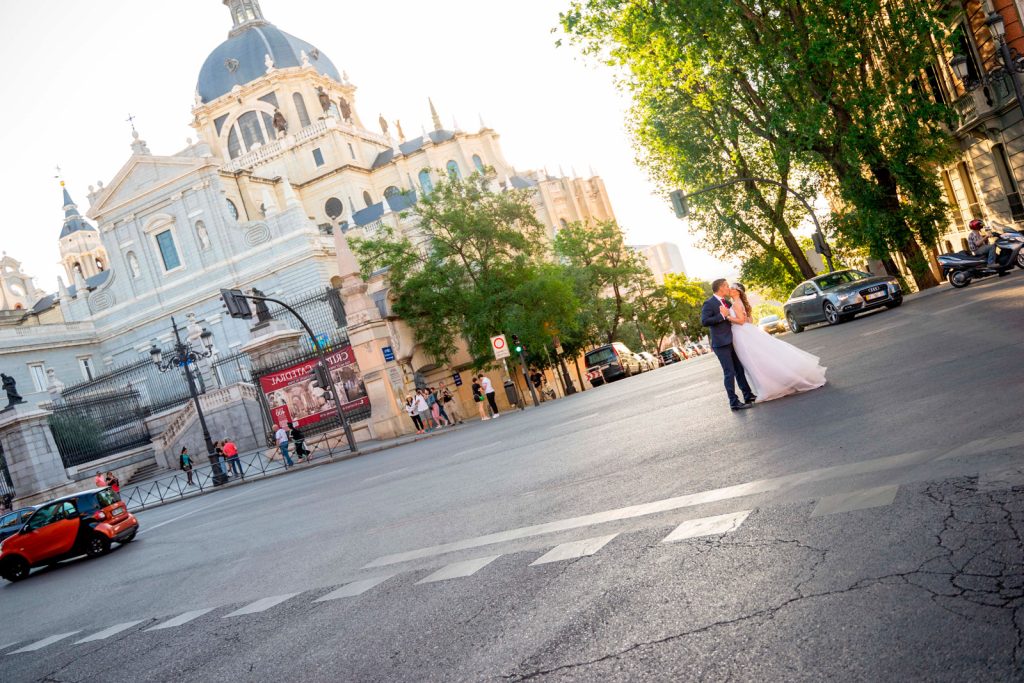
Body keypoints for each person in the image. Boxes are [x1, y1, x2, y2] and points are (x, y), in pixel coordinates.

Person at [725, 283, 827, 402]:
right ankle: (772, 384)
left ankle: (771, 387)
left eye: (732, 289)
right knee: (759, 360)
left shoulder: (736, 303)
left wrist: (728, 316)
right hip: (744, 333)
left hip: (742, 334)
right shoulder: (739, 303)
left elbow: (742, 321)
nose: (730, 290)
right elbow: (749, 320)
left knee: (754, 362)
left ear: (738, 292)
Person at [701, 278, 757, 411]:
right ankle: (734, 402)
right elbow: (704, 321)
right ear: (721, 287)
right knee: (729, 372)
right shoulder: (709, 303)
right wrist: (721, 315)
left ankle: (747, 395)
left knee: (739, 369)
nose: (728, 288)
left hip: (733, 340)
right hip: (720, 344)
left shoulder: (726, 302)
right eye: (726, 286)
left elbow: (735, 318)